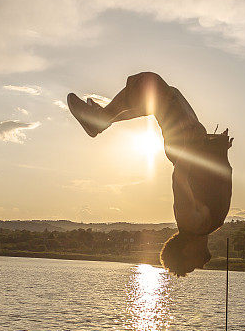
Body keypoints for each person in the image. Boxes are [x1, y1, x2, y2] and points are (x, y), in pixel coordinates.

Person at [67, 72, 233, 276]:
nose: (199, 266)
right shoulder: (205, 226)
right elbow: (216, 183)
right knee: (161, 97)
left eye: (191, 265)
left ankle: (100, 121)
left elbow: (178, 178)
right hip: (194, 144)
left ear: (185, 250)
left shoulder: (190, 222)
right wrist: (219, 150)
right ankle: (101, 120)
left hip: (187, 144)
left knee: (154, 88)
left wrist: (190, 149)